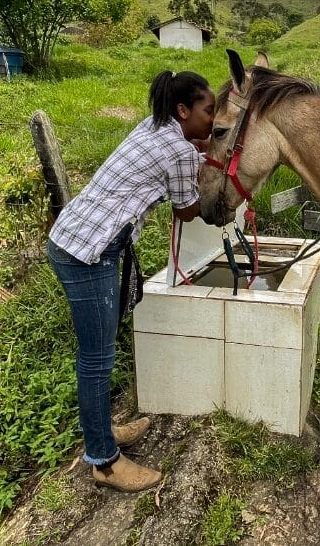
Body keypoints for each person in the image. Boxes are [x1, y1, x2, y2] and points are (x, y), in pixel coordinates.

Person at [47, 70, 215, 492]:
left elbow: (174, 155)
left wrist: (197, 148)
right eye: (208, 111)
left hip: (72, 238)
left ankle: (102, 430)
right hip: (89, 254)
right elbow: (187, 211)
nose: (213, 120)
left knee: (98, 351)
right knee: (96, 358)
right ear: (183, 110)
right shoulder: (178, 150)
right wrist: (206, 168)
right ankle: (104, 461)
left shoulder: (154, 125)